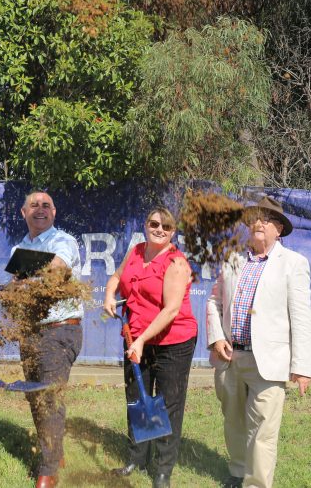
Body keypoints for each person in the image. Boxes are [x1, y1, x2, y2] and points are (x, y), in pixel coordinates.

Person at [206, 195, 311, 488]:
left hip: (269, 360)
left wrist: (301, 366)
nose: (258, 223)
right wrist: (216, 337)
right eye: (254, 218)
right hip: (230, 357)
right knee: (234, 421)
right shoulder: (233, 257)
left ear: (279, 229)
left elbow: (301, 317)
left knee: (263, 429)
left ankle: (256, 484)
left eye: (265, 219)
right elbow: (215, 301)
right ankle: (238, 471)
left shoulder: (293, 263)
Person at [103, 206, 197, 488]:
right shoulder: (136, 251)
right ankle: (137, 457)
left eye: (166, 227)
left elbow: (170, 311)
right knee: (137, 398)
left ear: (173, 232)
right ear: (145, 225)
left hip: (173, 342)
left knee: (168, 404)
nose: (159, 229)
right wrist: (109, 294)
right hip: (136, 337)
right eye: (154, 224)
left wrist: (142, 341)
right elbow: (117, 277)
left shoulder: (176, 263)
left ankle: (163, 470)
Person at [12, 190, 84, 488]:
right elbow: (17, 285)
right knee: (35, 396)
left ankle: (48, 472)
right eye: (34, 205)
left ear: (54, 213)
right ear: (23, 212)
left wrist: (23, 271)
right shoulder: (19, 247)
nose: (40, 209)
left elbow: (57, 266)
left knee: (49, 399)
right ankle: (56, 454)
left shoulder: (62, 241)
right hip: (30, 331)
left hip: (59, 329)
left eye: (46, 205)